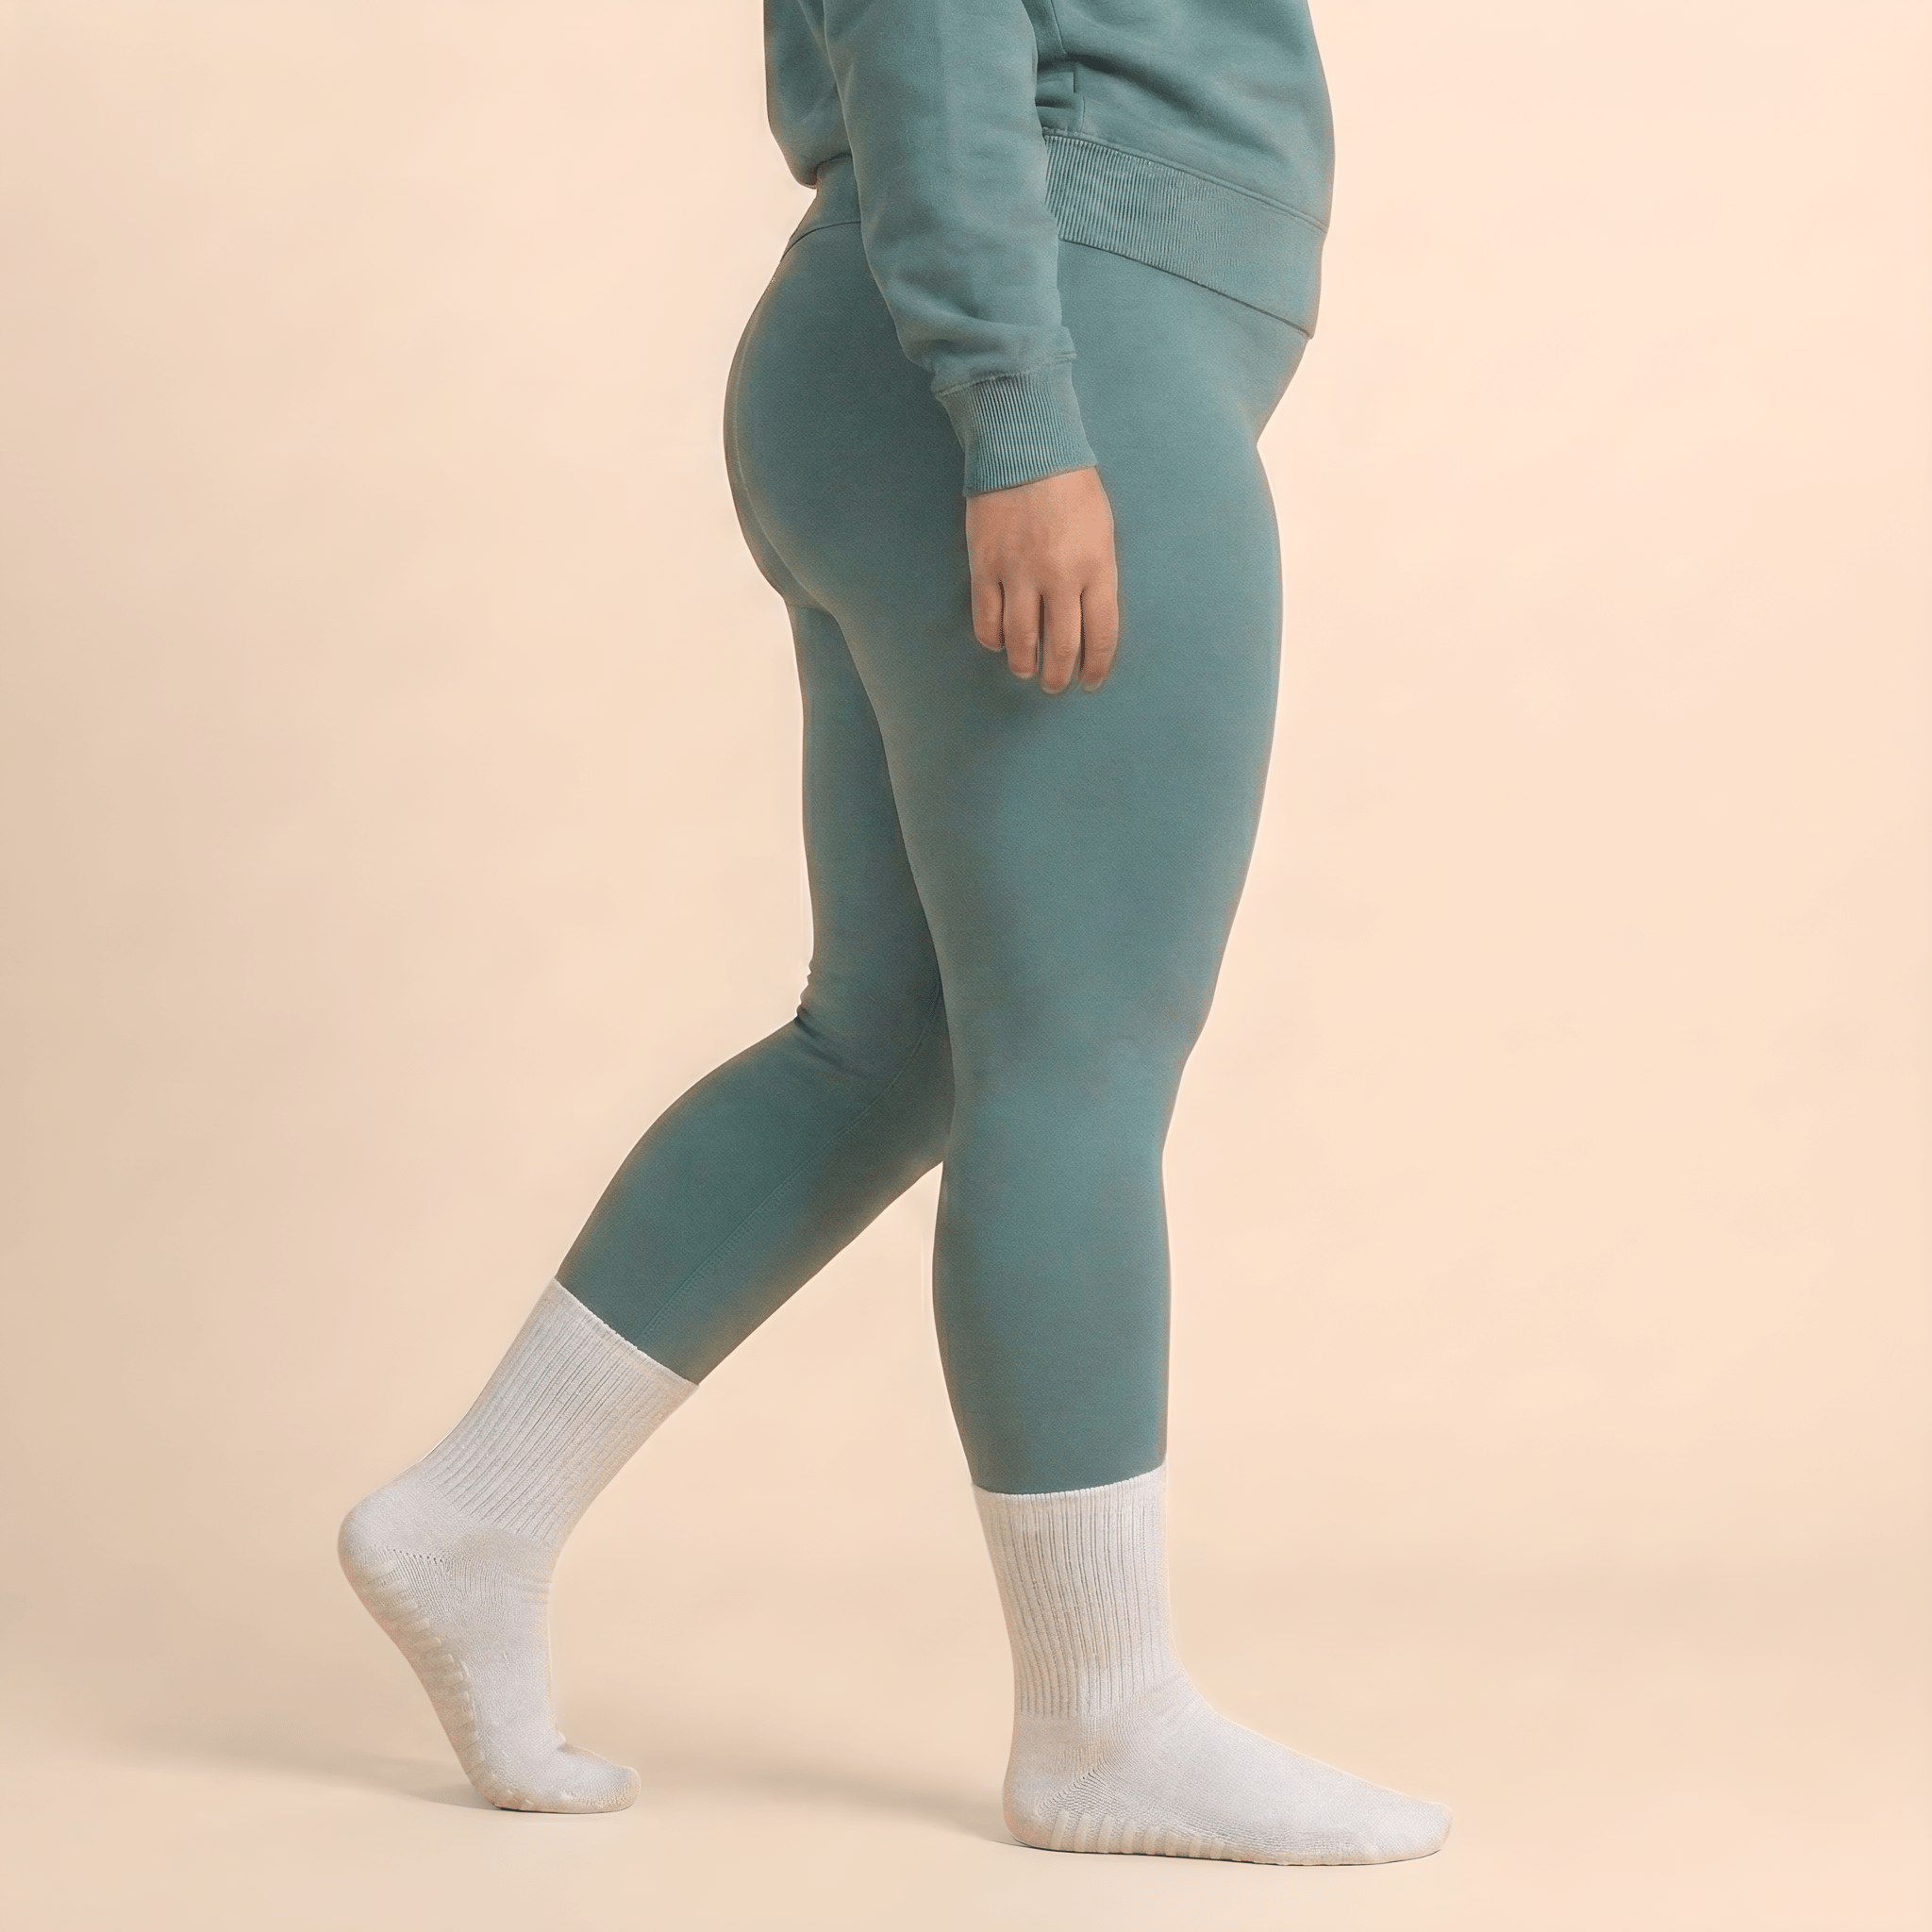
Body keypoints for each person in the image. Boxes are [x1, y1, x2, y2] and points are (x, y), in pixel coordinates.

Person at [340, 0, 1451, 1866]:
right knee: (1077, 1052)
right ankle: (1103, 1722)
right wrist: (1018, 411)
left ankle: (475, 1517)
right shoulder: (1033, 359)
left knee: (896, 1039)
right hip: (1047, 328)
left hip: (960, 323)